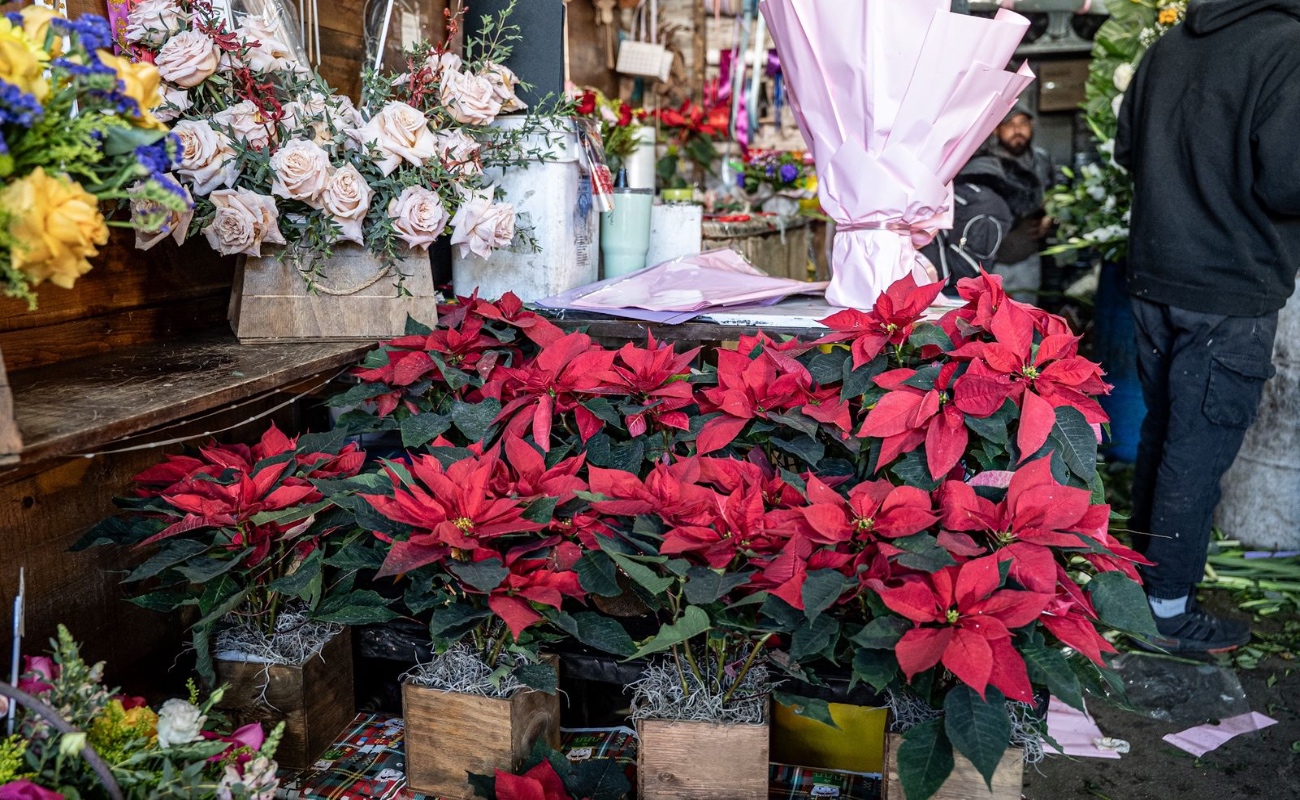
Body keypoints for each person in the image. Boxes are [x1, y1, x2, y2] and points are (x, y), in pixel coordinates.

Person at [1115, 0, 1300, 653]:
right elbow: (1287, 185)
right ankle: (1166, 610)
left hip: (1155, 275)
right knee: (1195, 452)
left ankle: (1137, 590)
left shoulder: (1170, 45)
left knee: (1165, 436)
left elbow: (1126, 146)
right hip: (1227, 286)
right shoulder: (1287, 45)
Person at [984, 104, 1054, 303]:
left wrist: (1050, 219)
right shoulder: (985, 163)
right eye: (1009, 124)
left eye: (1023, 123)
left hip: (1027, 257)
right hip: (991, 261)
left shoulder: (1041, 160)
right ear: (997, 130)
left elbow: (1055, 197)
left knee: (1027, 323)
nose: (1017, 130)